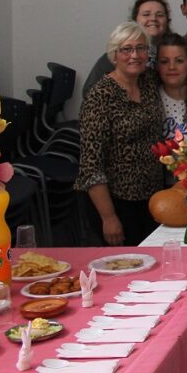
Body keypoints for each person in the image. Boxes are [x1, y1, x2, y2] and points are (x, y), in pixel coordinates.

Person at [76, 22, 165, 246]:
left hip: (152, 197)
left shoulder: (149, 81)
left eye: (141, 48)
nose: (135, 55)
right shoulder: (100, 97)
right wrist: (109, 218)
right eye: (127, 49)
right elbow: (91, 166)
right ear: (114, 55)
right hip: (117, 203)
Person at [82, 0, 172, 97]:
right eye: (146, 14)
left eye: (160, 15)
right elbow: (89, 93)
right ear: (134, 21)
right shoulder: (116, 55)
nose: (153, 18)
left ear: (167, 21)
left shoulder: (176, 54)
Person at [155, 33, 187, 140]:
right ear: (157, 65)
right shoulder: (151, 100)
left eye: (179, 61)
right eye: (164, 62)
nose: (172, 67)